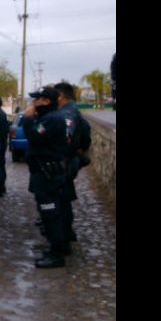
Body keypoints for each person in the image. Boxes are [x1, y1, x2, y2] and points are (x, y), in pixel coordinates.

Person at [23, 87, 69, 268]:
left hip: (48, 174)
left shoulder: (51, 119)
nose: (34, 103)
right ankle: (57, 247)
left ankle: (57, 253)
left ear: (47, 101)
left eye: (38, 99)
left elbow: (34, 135)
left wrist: (27, 118)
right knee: (50, 212)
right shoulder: (47, 117)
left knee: (50, 212)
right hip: (44, 172)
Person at [54, 82, 92, 246]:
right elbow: (86, 131)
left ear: (60, 96)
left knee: (61, 201)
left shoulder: (67, 113)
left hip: (65, 161)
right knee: (64, 199)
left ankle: (63, 237)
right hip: (70, 160)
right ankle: (66, 233)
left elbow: (66, 138)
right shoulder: (73, 110)